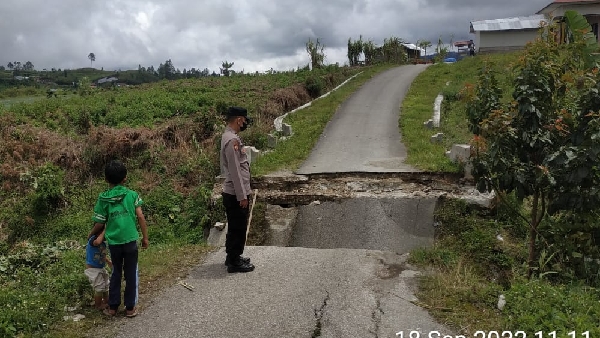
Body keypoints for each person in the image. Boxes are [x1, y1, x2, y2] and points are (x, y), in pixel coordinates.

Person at [89, 159, 149, 317]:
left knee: (116, 271)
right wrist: (145, 238)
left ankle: (113, 307)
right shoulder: (132, 195)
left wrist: (90, 234)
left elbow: (99, 222)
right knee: (130, 273)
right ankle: (130, 308)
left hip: (114, 242)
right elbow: (141, 217)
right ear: (125, 178)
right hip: (130, 240)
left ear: (106, 179)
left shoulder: (103, 199)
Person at [220, 106, 255, 273]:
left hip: (234, 192)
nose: (245, 123)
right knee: (238, 228)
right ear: (239, 119)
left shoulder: (229, 136)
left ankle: (232, 257)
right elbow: (235, 171)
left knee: (235, 226)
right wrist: (242, 196)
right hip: (235, 193)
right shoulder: (232, 141)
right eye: (244, 120)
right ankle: (234, 262)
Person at [85, 227, 112, 310]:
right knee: (99, 287)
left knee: (106, 285)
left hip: (101, 267)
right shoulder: (92, 240)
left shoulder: (103, 244)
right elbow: (97, 242)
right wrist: (105, 229)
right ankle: (98, 305)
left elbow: (103, 255)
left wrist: (108, 262)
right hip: (93, 269)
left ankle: (106, 301)